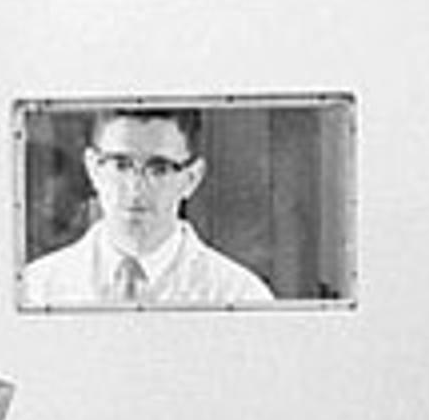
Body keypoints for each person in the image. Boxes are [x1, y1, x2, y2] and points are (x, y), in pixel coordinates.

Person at [16, 105, 275, 308]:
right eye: (120, 165)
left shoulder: (241, 296)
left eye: (159, 168)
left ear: (192, 178)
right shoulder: (34, 290)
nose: (135, 188)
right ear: (93, 169)